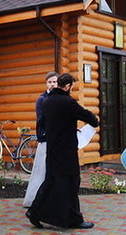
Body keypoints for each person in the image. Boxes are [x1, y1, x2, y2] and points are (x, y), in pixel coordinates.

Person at [26, 73, 99, 230]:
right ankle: (75, 220)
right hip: (66, 151)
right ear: (67, 86)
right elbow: (90, 118)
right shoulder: (68, 102)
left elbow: (44, 123)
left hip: (52, 148)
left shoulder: (47, 102)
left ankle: (34, 212)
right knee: (72, 183)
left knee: (51, 182)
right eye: (71, 86)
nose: (71, 89)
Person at [23, 71, 58, 207]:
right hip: (45, 138)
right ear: (46, 84)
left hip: (56, 139)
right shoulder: (42, 99)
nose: (52, 84)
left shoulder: (59, 98)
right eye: (50, 82)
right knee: (41, 169)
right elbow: (41, 119)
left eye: (54, 82)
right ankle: (35, 198)